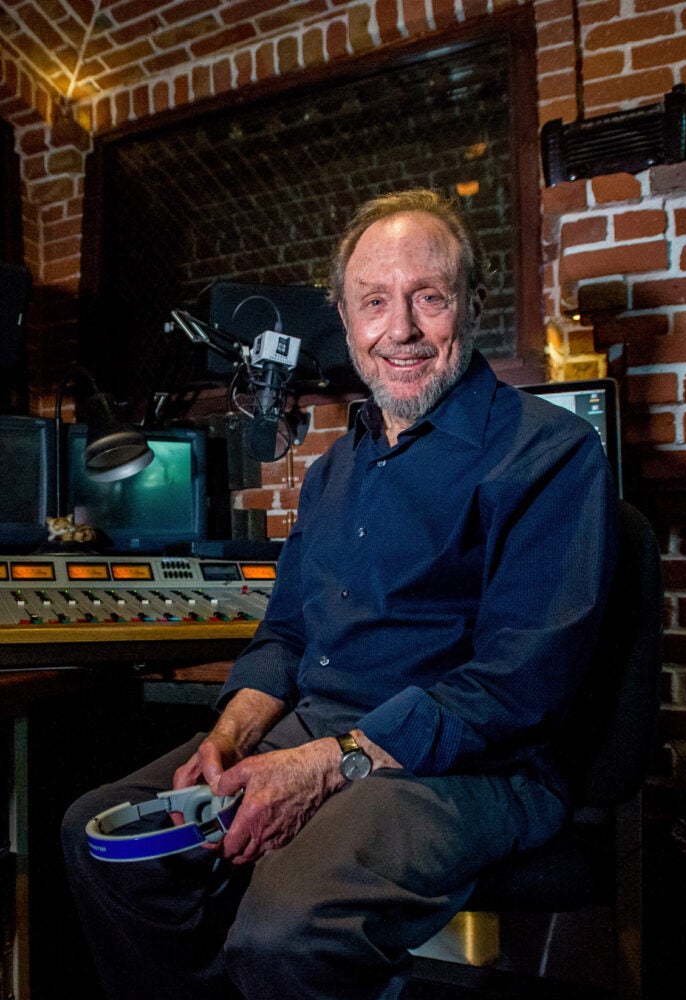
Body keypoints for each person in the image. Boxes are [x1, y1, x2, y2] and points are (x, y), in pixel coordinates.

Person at [62, 188, 618, 1000]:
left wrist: (325, 766)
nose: (401, 329)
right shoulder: (332, 471)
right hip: (320, 732)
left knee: (289, 928)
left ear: (471, 304)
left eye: (429, 298)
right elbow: (286, 636)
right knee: (98, 838)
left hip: (478, 765)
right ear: (346, 319)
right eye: (375, 302)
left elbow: (515, 687)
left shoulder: (550, 453)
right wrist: (230, 737)